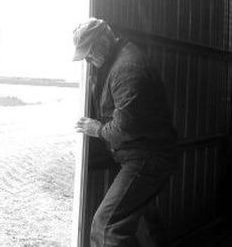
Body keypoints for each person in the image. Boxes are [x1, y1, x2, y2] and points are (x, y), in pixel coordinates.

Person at [73, 18, 178, 247]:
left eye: (90, 52)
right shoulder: (114, 60)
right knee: (148, 225)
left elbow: (126, 127)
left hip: (148, 156)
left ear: (104, 40)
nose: (89, 60)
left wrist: (98, 130)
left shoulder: (127, 67)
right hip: (146, 152)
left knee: (107, 228)